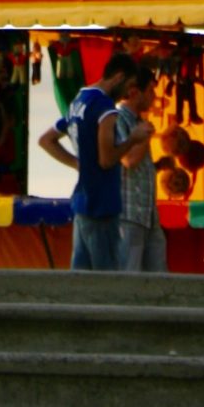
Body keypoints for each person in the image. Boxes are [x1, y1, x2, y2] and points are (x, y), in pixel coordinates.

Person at [37, 46, 137, 271]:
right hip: (102, 203)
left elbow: (46, 140)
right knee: (106, 280)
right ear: (119, 77)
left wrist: (78, 163)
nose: (126, 95)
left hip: (82, 200)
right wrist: (133, 139)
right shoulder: (105, 108)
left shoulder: (78, 101)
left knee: (80, 278)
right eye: (128, 86)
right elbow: (106, 159)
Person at [112, 63, 164, 273]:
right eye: (150, 90)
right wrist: (144, 136)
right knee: (129, 274)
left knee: (159, 276)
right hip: (129, 212)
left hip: (148, 214)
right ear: (135, 92)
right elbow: (129, 160)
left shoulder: (138, 121)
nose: (154, 96)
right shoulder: (117, 118)